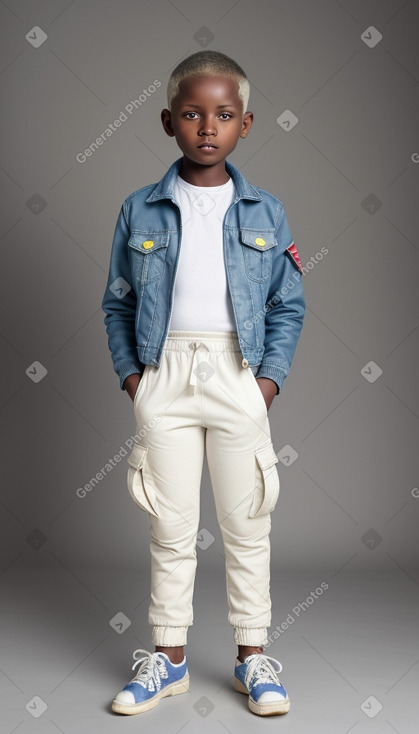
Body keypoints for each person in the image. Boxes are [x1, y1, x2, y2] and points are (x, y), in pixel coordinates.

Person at [101, 50, 305, 717]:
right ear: (168, 122)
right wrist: (135, 378)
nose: (206, 127)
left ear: (245, 124)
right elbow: (118, 302)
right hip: (165, 374)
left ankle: (253, 660)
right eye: (191, 114)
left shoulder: (266, 211)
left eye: (222, 115)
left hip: (236, 373)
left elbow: (287, 304)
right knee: (171, 525)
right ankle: (171, 660)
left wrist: (266, 382)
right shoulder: (140, 208)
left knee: (247, 522)